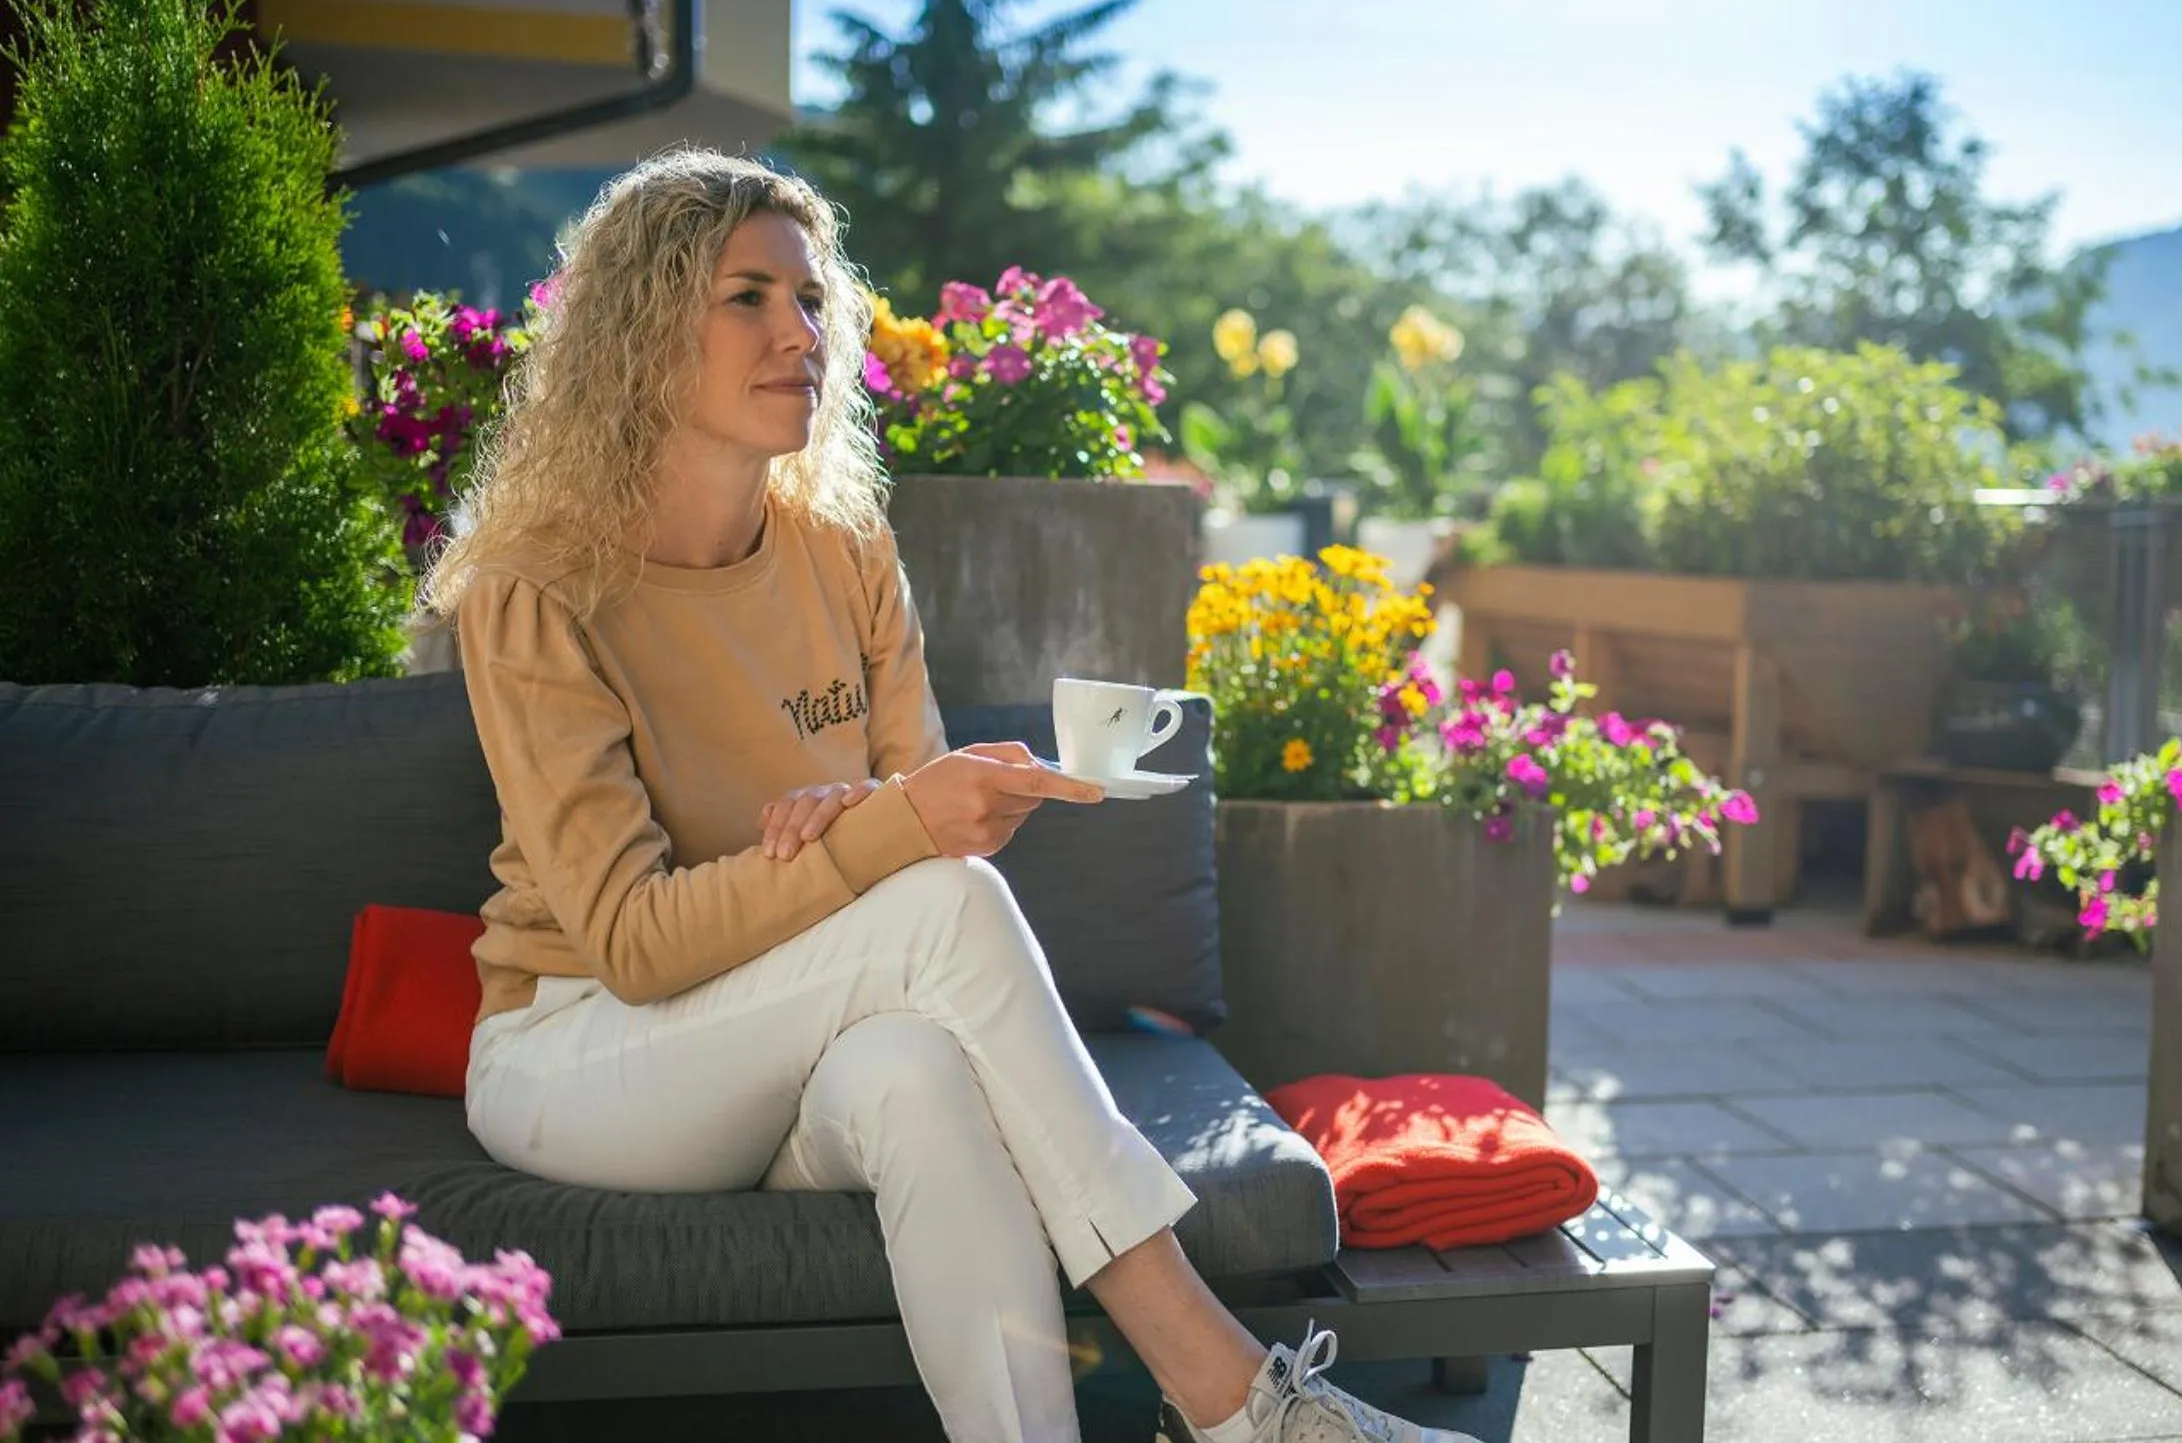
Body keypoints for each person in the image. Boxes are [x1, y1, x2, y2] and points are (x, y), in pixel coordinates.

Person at [419, 148, 1479, 1443]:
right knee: (939, 905)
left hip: (793, 1040)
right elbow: (635, 945)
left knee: (921, 1070)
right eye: (747, 297)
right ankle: (1235, 1398)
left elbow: (914, 852)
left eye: (812, 302)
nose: (798, 333)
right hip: (583, 1058)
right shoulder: (537, 590)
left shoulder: (845, 545)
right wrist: (871, 838)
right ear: (640, 334)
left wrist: (873, 833)